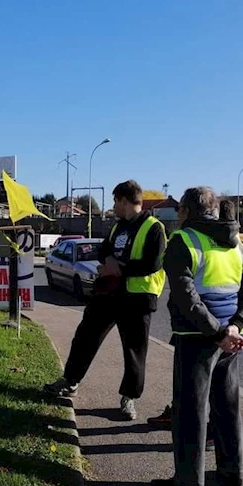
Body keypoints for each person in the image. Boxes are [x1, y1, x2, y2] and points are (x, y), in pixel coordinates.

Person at [151, 187, 243, 486]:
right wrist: (234, 328)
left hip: (198, 338)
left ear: (185, 211)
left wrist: (217, 333)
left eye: (178, 212)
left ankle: (188, 483)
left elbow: (187, 298)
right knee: (227, 407)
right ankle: (232, 475)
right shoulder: (237, 244)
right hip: (230, 341)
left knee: (190, 410)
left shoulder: (183, 241)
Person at [43, 180, 167, 420]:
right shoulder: (117, 227)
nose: (113, 206)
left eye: (115, 201)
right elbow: (103, 249)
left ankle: (129, 398)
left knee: (134, 351)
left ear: (124, 200)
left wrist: (118, 269)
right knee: (85, 335)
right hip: (109, 294)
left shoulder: (154, 227)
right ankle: (70, 381)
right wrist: (108, 259)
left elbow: (153, 264)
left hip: (138, 298)